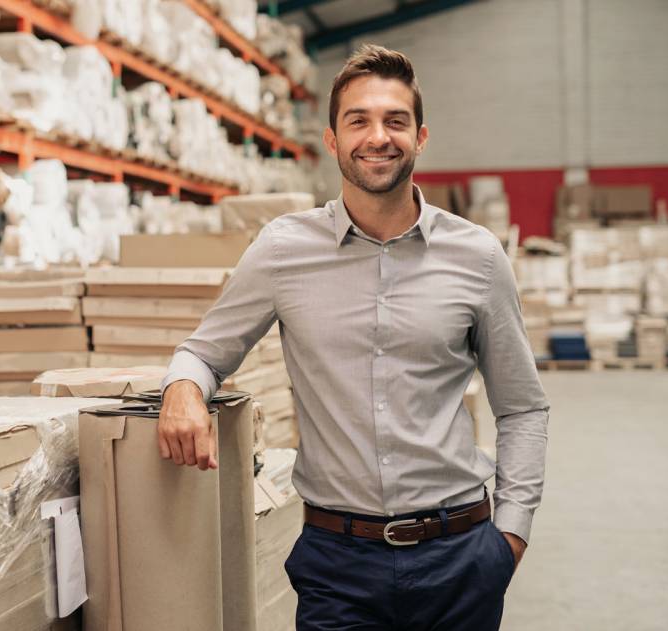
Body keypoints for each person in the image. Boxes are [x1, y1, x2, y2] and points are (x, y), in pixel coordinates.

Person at [157, 44, 549, 630]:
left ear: (419, 137)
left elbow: (522, 406)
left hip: (459, 555)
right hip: (339, 562)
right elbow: (204, 352)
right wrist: (182, 389)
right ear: (332, 139)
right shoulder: (284, 250)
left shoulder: (477, 257)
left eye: (395, 120)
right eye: (358, 120)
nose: (378, 136)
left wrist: (510, 536)